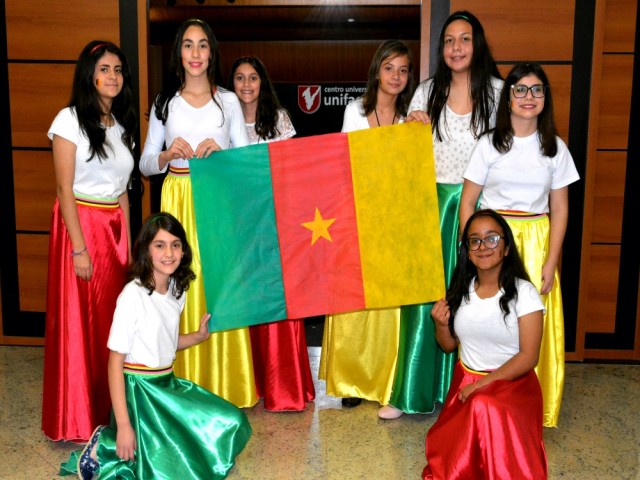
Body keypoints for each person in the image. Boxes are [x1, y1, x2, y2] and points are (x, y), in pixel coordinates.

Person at [59, 212, 252, 480]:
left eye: (175, 245)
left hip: (167, 386)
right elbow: (115, 364)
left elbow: (166, 344)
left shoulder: (177, 290)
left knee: (232, 421)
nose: (169, 253)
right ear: (146, 251)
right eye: (160, 245)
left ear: (183, 251)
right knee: (169, 472)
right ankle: (106, 444)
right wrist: (124, 426)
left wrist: (198, 336)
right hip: (139, 394)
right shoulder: (132, 296)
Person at [381, 10, 503, 420]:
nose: (456, 47)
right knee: (426, 297)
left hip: (482, 211)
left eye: (464, 39)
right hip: (432, 207)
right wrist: (411, 126)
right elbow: (406, 153)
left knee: (476, 295)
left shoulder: (499, 93)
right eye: (449, 40)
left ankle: (474, 390)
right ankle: (411, 392)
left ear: (477, 44)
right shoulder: (425, 92)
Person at [139, 18, 257, 408]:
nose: (195, 53)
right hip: (176, 198)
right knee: (176, 282)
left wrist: (223, 154)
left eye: (202, 45)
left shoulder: (228, 101)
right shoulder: (164, 103)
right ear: (179, 53)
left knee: (218, 282)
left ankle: (227, 382)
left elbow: (246, 161)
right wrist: (166, 155)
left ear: (211, 53)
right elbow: (145, 164)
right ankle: (180, 381)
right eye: (188, 45)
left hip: (216, 197)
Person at [459, 62, 580, 428]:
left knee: (529, 320)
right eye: (521, 89)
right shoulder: (489, 144)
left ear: (545, 98)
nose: (529, 97)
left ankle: (534, 408)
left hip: (536, 241)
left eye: (537, 89)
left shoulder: (555, 148)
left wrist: (551, 261)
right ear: (508, 98)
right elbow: (468, 202)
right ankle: (486, 394)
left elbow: (560, 209)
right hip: (493, 241)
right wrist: (473, 250)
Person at [42, 40, 137, 442]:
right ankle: (75, 419)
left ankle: (105, 409)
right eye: (104, 69)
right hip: (79, 225)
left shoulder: (121, 126)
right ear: (89, 75)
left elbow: (122, 191)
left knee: (110, 324)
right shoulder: (69, 120)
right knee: (79, 323)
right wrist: (79, 248)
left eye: (118, 70)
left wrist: (128, 246)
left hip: (113, 230)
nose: (112, 76)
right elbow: (64, 188)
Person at [318, 39, 415, 408]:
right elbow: (344, 162)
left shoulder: (411, 118)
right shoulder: (355, 111)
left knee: (387, 300)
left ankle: (384, 379)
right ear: (377, 71)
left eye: (403, 70)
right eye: (389, 68)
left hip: (393, 218)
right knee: (352, 299)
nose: (396, 76)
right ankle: (352, 381)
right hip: (355, 213)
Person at [423, 209, 548, 479]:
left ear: (506, 248)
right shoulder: (461, 289)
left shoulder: (524, 292)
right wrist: (441, 325)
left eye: (492, 239)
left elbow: (529, 357)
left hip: (513, 384)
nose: (483, 247)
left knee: (484, 405)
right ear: (467, 251)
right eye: (475, 241)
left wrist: (481, 386)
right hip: (466, 381)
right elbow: (449, 346)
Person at [229, 55, 315, 411]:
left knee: (276, 298)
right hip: (237, 222)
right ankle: (247, 382)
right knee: (244, 298)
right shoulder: (223, 118)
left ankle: (284, 385)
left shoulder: (278, 119)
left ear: (262, 82)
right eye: (239, 78)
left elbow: (290, 171)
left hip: (273, 220)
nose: (246, 84)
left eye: (253, 77)